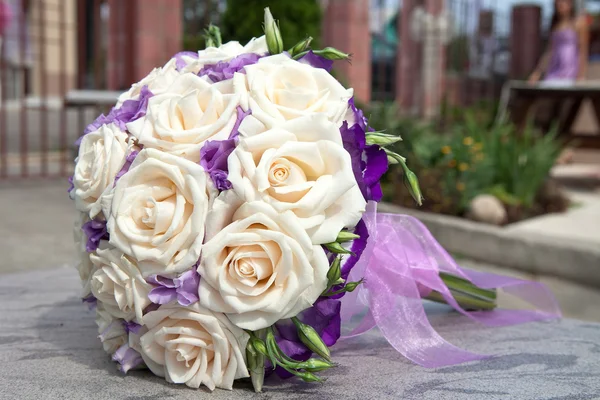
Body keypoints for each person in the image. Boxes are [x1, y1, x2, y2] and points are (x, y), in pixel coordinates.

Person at [529, 0, 589, 84]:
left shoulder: (579, 23)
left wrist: (581, 75)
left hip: (571, 69)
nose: (561, 4)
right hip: (555, 68)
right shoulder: (555, 25)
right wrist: (537, 72)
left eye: (564, 2)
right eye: (558, 2)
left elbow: (583, 51)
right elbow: (549, 51)